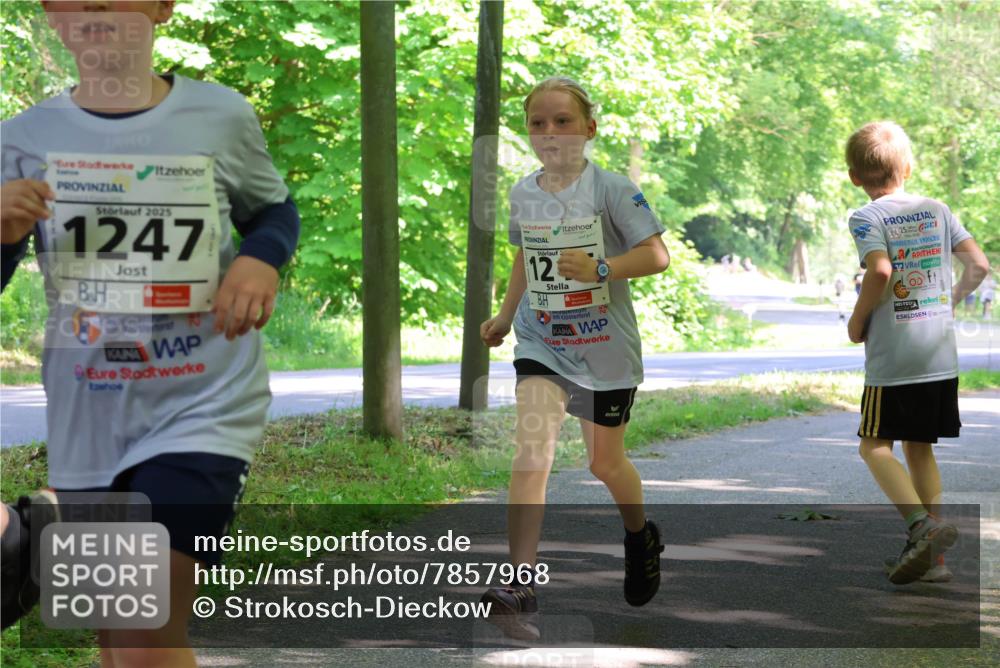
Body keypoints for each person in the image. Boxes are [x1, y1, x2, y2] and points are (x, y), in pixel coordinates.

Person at [0, 2, 299, 664]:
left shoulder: (221, 115)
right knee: (118, 635)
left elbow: (273, 208)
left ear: (163, 6)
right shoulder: (22, 136)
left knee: (140, 628)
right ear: (52, 13)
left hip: (203, 406)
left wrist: (261, 258)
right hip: (89, 418)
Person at [479, 76, 669, 639]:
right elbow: (524, 254)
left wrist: (603, 268)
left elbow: (656, 255)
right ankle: (520, 585)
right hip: (542, 343)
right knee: (532, 450)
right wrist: (506, 315)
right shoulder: (523, 192)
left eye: (563, 121)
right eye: (538, 122)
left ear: (589, 128)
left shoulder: (612, 188)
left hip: (604, 350)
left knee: (604, 464)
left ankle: (640, 535)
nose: (550, 132)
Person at [844, 121, 989, 585]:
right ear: (907, 167)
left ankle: (921, 525)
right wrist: (948, 303)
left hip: (895, 359)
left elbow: (881, 271)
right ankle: (934, 563)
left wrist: (858, 319)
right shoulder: (938, 209)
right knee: (920, 448)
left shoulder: (867, 217)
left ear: (854, 176)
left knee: (874, 445)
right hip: (939, 356)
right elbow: (979, 266)